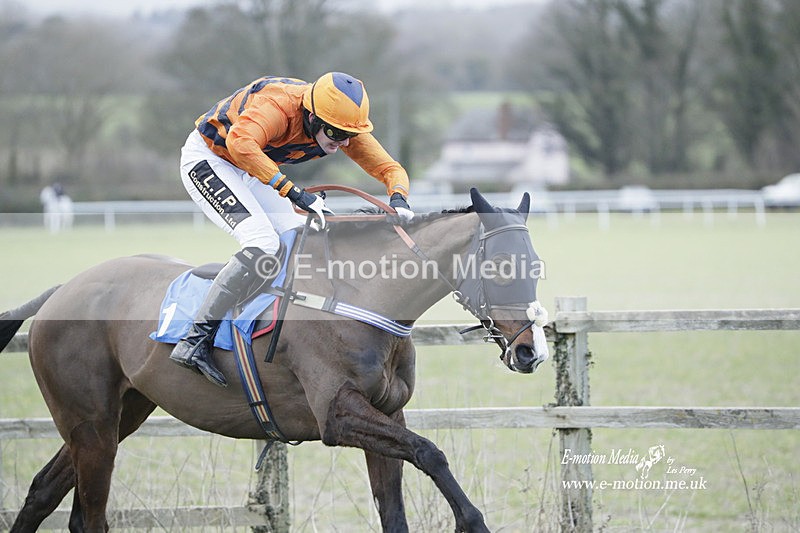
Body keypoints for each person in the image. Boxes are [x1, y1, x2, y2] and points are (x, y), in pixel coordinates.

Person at [170, 72, 414, 387]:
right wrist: (295, 193)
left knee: (302, 235)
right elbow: (240, 144)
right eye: (335, 133)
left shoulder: (341, 122)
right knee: (262, 243)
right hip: (210, 160)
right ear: (312, 117)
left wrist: (400, 198)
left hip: (251, 167)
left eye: (348, 135)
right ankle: (195, 339)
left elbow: (389, 169)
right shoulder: (278, 105)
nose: (342, 143)